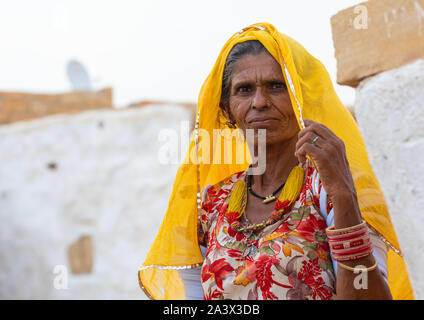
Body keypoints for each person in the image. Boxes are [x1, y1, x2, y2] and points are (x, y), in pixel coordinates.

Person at [138, 22, 414, 300]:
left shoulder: (333, 189)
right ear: (228, 110)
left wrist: (344, 197)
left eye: (276, 86)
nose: (260, 101)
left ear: (299, 98)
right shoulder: (211, 204)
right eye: (244, 90)